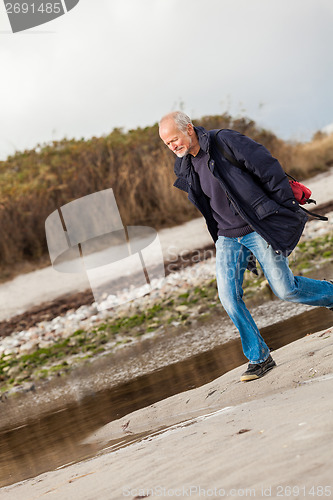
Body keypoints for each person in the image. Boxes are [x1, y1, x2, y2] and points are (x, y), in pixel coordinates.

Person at [159, 111, 333, 382]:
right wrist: (218, 235)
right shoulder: (184, 165)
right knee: (228, 297)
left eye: (174, 139)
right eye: (167, 143)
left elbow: (267, 166)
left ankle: (330, 295)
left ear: (189, 129)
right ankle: (259, 357)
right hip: (227, 237)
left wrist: (283, 204)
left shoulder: (224, 141)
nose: (172, 146)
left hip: (257, 227)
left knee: (286, 289)